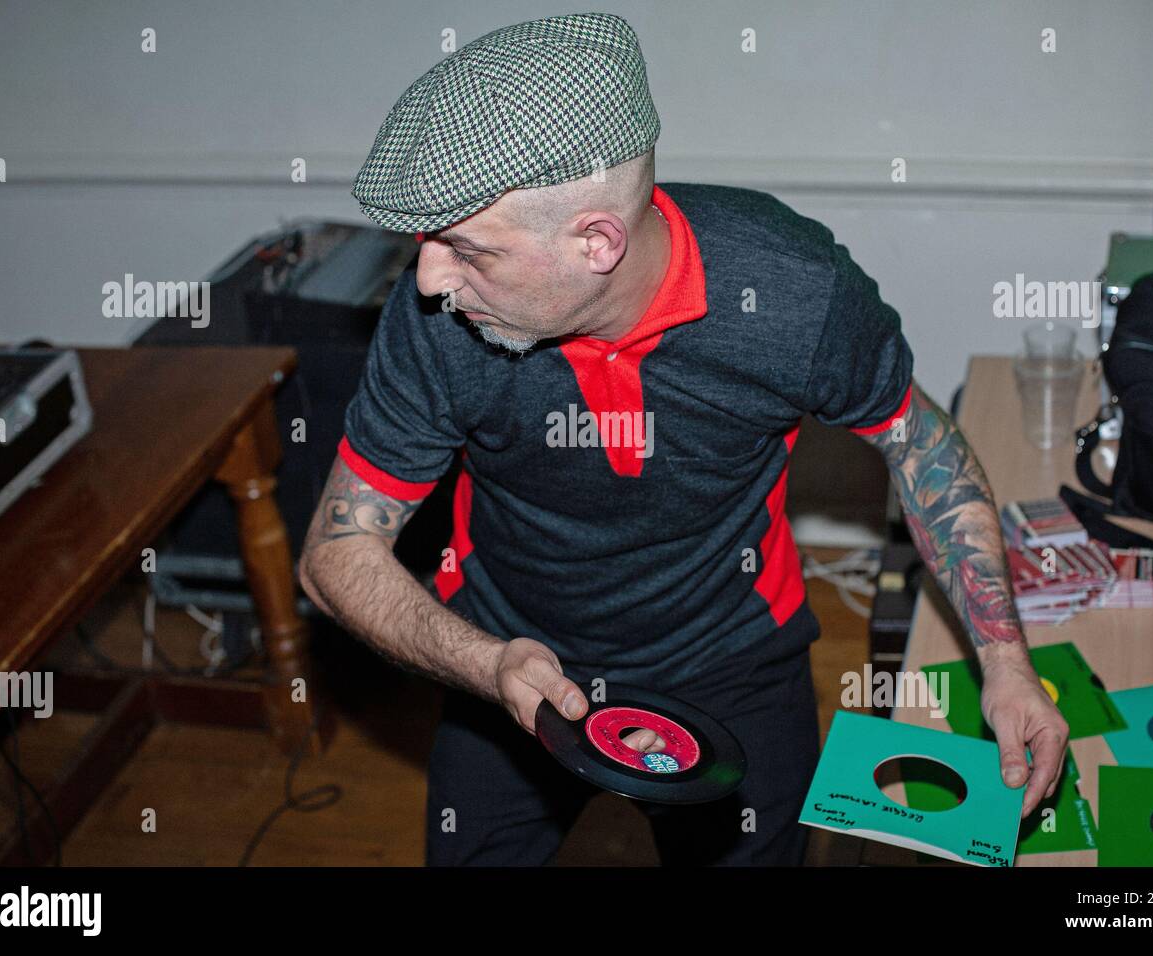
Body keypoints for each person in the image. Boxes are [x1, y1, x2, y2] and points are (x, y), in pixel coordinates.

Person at [298, 12, 1067, 866]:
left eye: (464, 248)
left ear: (597, 241)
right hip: (510, 650)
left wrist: (1005, 664)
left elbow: (922, 447)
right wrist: (486, 666)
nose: (429, 280)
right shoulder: (437, 319)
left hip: (733, 654)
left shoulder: (791, 293)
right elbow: (336, 555)